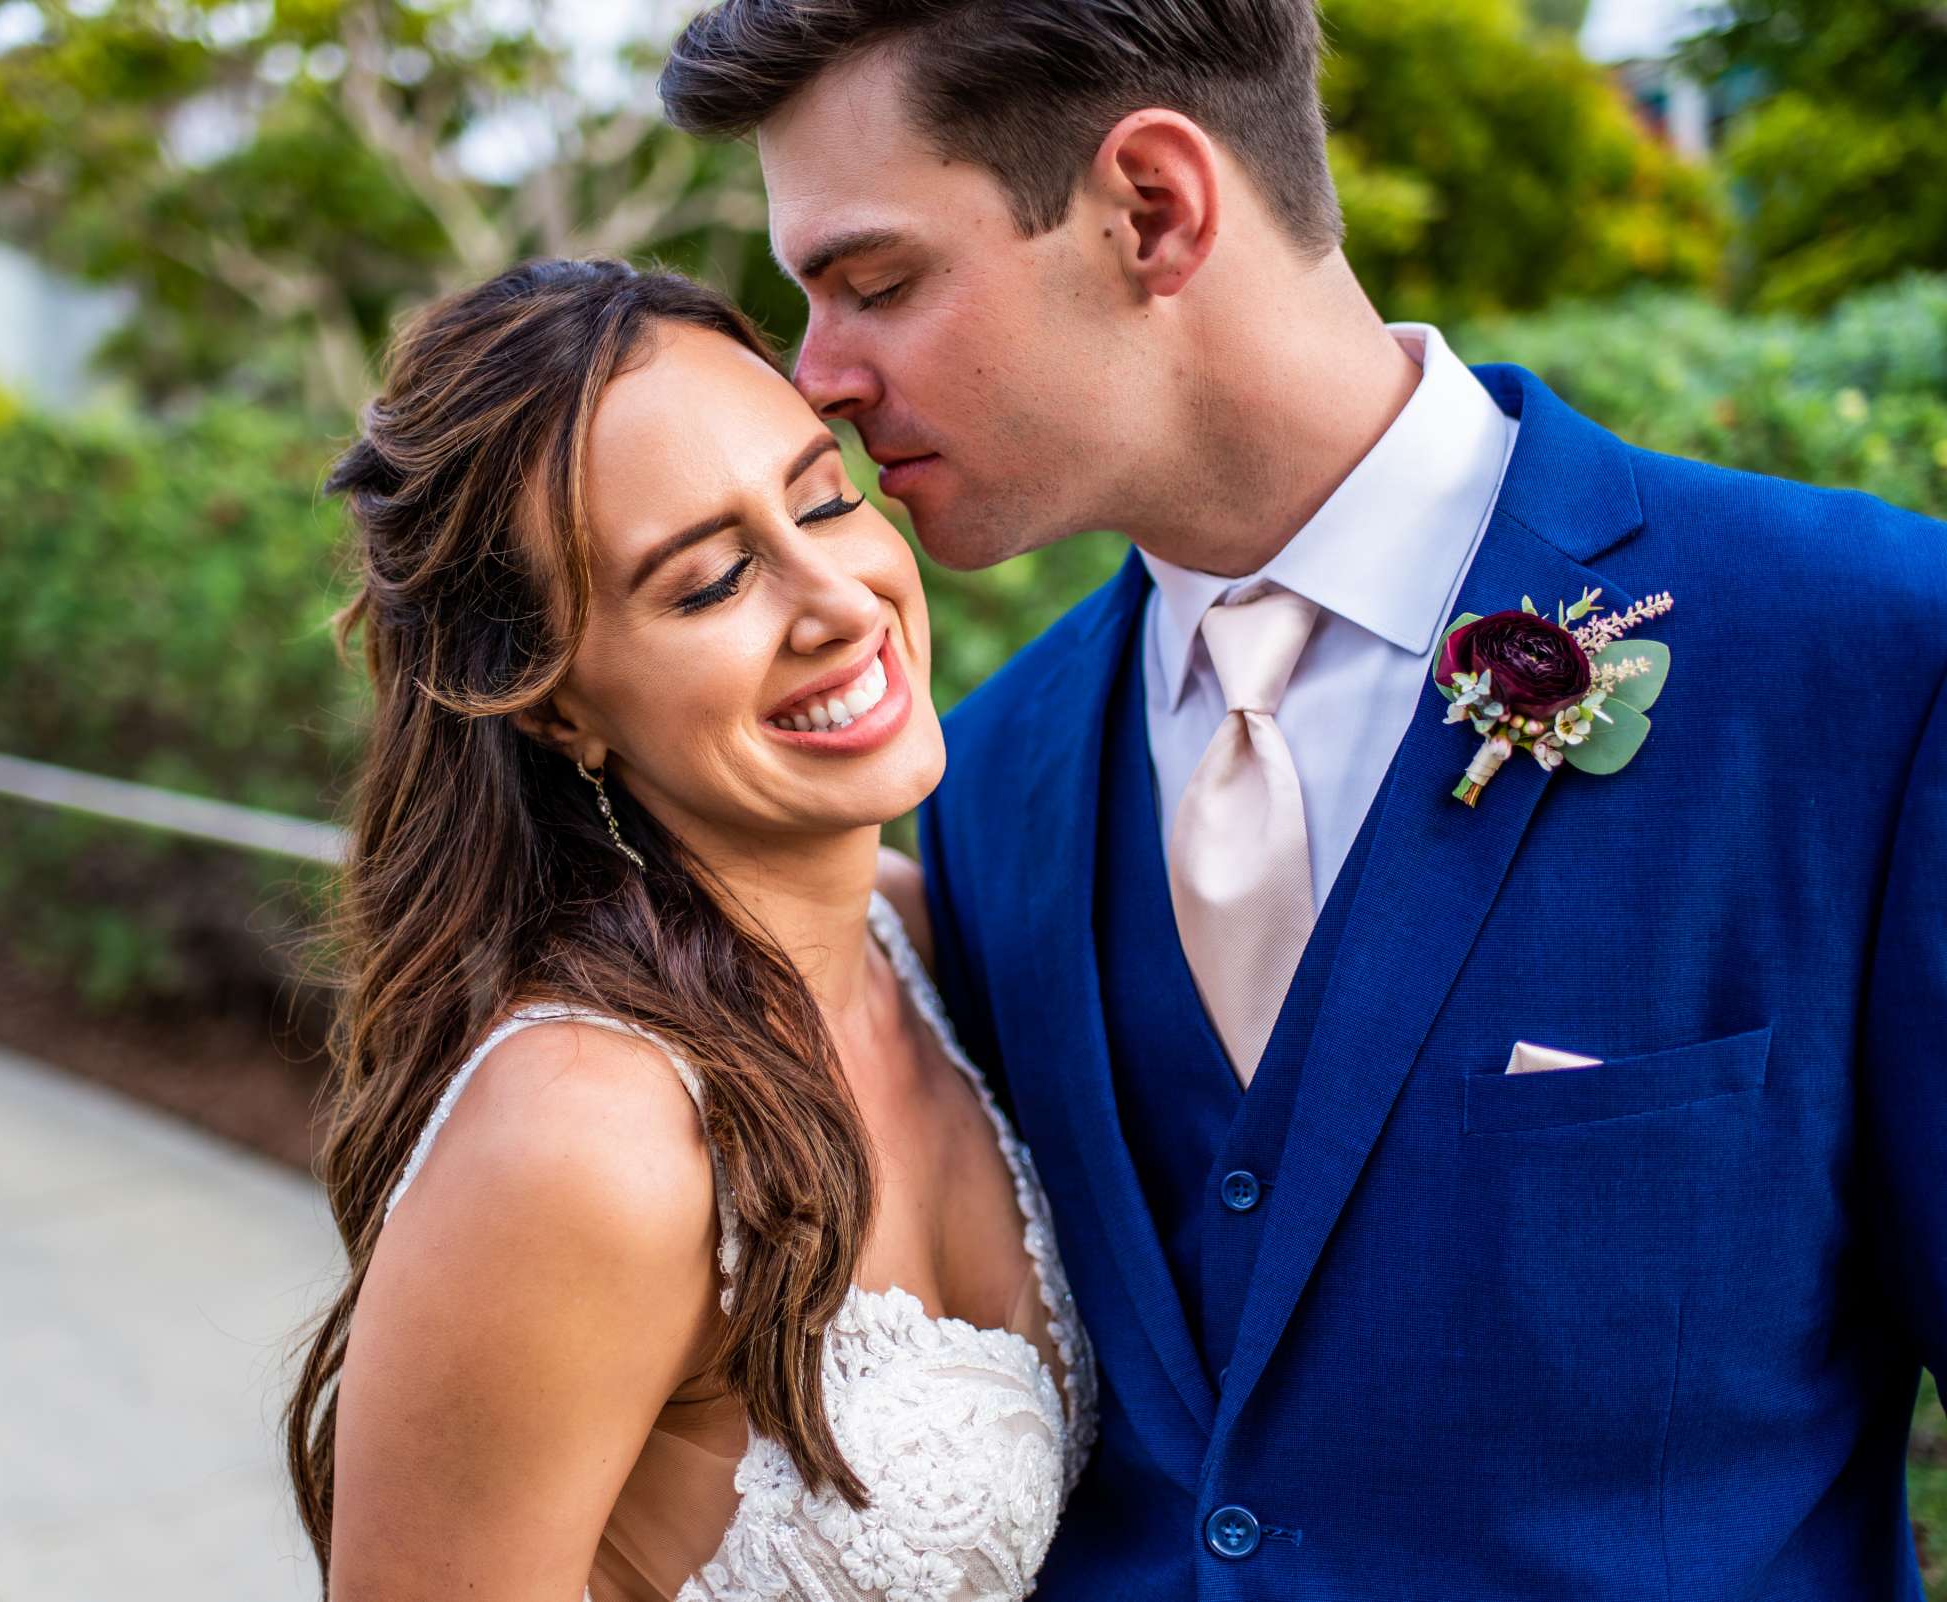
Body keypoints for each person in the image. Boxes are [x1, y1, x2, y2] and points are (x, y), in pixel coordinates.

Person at [659, 0, 1947, 1595]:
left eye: (876, 281)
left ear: (1155, 207)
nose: (821, 380)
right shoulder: (988, 773)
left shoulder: (1864, 659)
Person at [282, 258, 1097, 1602]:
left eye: (825, 497)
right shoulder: (590, 1135)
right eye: (713, 583)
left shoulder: (925, 938)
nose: (837, 602)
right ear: (557, 705)